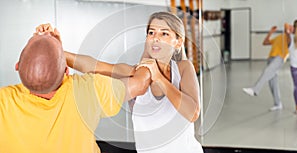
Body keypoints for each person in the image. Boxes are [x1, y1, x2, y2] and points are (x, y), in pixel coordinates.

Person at [65, 12, 203, 153]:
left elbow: (192, 114)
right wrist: (58, 53)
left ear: (178, 42)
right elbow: (94, 66)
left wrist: (159, 79)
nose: (155, 38)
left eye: (164, 34)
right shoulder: (134, 73)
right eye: (151, 32)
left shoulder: (183, 68)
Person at [0, 24, 151, 153]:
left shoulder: (3, 101)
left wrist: (52, 52)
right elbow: (140, 84)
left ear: (17, 67)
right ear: (66, 70)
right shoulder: (87, 90)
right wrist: (154, 51)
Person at [243, 23, 291, 111]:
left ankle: (255, 90)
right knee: (273, 83)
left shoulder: (288, 38)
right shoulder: (279, 37)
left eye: (291, 27)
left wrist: (287, 31)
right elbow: (265, 42)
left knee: (267, 71)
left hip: (279, 57)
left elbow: (289, 40)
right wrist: (270, 32)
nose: (289, 28)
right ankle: (278, 104)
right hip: (271, 58)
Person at [288, 19, 297, 114]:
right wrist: (289, 30)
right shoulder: (290, 37)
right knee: (296, 87)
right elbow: (286, 27)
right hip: (294, 66)